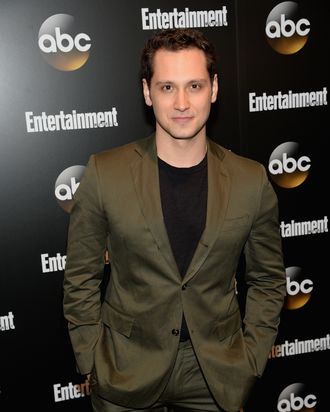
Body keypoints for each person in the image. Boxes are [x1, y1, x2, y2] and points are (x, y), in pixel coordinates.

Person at [63, 28, 286, 412]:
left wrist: (252, 355)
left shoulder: (251, 180)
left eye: (195, 86)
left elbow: (268, 279)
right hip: (124, 369)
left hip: (216, 371)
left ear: (213, 89)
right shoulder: (105, 173)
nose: (182, 102)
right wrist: (91, 359)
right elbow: (80, 277)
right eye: (167, 88)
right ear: (148, 92)